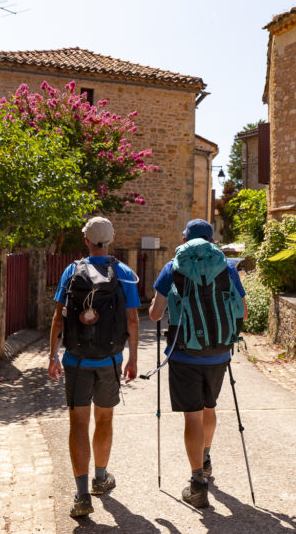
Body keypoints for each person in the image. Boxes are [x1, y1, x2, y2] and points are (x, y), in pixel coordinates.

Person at [148, 219, 247, 509]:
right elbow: (241, 308)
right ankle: (205, 459)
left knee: (192, 416)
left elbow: (154, 314)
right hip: (219, 352)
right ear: (211, 239)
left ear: (185, 239)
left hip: (183, 354)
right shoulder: (227, 267)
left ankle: (197, 484)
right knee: (209, 407)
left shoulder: (172, 267)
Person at [48, 217, 139, 518]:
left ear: (86, 240)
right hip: (110, 361)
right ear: (111, 240)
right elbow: (132, 320)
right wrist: (133, 359)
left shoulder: (71, 271)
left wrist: (52, 356)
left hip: (76, 361)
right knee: (104, 419)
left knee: (78, 425)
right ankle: (101, 477)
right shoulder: (124, 273)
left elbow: (58, 319)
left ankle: (81, 494)